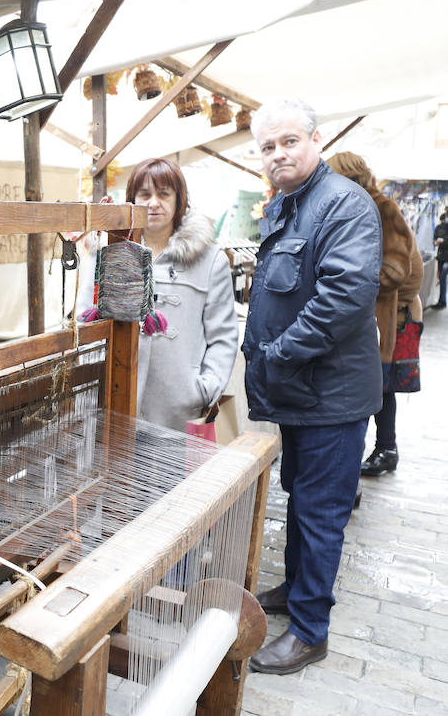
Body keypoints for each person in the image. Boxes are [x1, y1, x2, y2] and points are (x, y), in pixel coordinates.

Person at [242, 100, 382, 675]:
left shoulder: (343, 203)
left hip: (331, 396)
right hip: (301, 393)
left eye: (289, 141)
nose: (278, 154)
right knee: (301, 498)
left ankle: (309, 630)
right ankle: (298, 587)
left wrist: (277, 355)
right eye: (267, 147)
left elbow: (344, 297)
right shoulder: (290, 204)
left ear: (316, 140)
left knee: (321, 511)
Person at [121, 158, 239, 432]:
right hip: (118, 401)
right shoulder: (111, 254)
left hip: (181, 410)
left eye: (163, 194)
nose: (153, 203)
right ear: (132, 200)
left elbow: (223, 336)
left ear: (179, 200)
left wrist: (204, 388)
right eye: (144, 195)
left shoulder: (209, 260)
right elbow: (86, 321)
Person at [327, 152, 423, 481]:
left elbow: (397, 269)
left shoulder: (380, 207)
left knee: (379, 385)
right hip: (377, 314)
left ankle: (383, 449)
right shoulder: (355, 206)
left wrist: (350, 285)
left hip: (387, 317)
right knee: (378, 385)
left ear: (349, 177)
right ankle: (380, 450)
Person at [434, 210, 448, 309]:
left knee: (442, 278)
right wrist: (436, 242)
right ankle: (442, 301)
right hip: (441, 256)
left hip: (444, 257)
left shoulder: (439, 227)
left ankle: (442, 301)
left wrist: (442, 242)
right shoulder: (438, 227)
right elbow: (434, 238)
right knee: (442, 279)